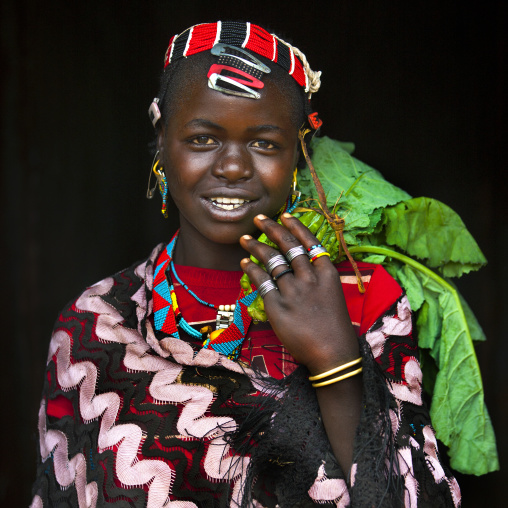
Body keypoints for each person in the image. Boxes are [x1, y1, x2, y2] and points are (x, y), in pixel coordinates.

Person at [30, 21, 461, 507]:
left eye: (264, 143)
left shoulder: (365, 298)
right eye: (201, 139)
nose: (232, 167)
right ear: (162, 143)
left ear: (299, 156)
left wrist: (337, 361)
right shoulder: (95, 325)